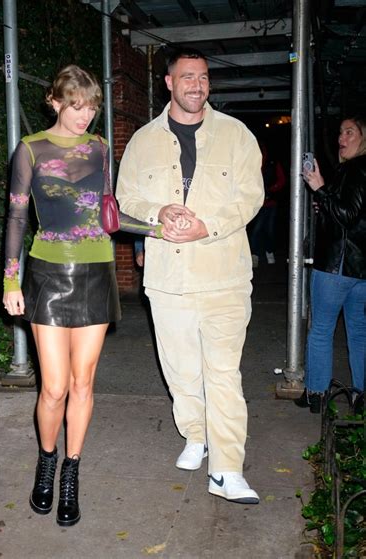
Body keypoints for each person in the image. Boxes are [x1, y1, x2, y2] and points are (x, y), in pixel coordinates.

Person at [2, 65, 159, 526]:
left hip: (96, 271)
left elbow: (110, 213)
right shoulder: (31, 148)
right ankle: (47, 459)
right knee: (53, 387)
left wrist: (155, 229)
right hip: (48, 273)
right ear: (54, 102)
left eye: (91, 106)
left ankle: (71, 470)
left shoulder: (100, 148)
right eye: (76, 106)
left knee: (83, 383)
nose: (85, 115)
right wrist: (11, 281)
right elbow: (16, 218)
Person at [116, 48, 264, 504]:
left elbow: (250, 197)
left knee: (223, 375)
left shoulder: (236, 136)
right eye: (186, 77)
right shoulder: (143, 141)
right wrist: (158, 211)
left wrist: (207, 226)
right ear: (169, 83)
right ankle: (196, 434)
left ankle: (227, 469)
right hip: (168, 281)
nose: (196, 85)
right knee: (181, 372)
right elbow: (125, 202)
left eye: (202, 77)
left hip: (224, 278)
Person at [295, 116, 366, 413]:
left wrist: (320, 188)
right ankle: (360, 397)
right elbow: (353, 213)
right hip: (360, 269)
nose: (342, 138)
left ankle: (316, 394)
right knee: (358, 332)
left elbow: (347, 215)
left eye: (350, 132)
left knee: (321, 330)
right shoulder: (354, 170)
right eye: (340, 133)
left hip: (337, 266)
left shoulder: (355, 169)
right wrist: (325, 203)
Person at [249, 141, 286, 267]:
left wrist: (270, 190)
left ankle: (269, 252)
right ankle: (255, 256)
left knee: (269, 230)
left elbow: (281, 180)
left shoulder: (272, 162)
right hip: (255, 203)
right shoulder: (251, 163)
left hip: (271, 202)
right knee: (256, 229)